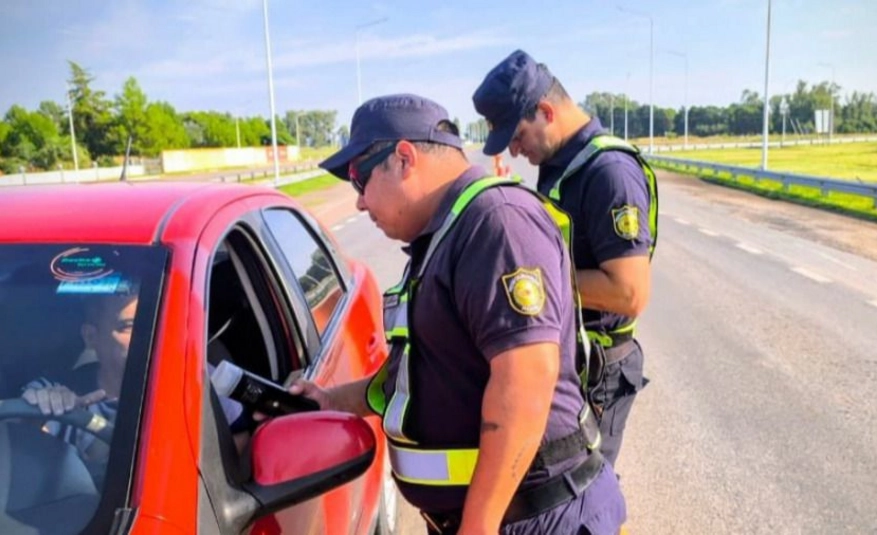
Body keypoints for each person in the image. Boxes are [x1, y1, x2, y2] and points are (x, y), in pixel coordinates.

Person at [300, 94, 625, 534]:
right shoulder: (445, 232)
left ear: (403, 158)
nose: (359, 202)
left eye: (360, 179)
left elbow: (525, 381)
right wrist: (330, 401)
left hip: (539, 519)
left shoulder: (496, 221)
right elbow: (424, 373)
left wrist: (478, 527)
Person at [473, 50, 659, 467]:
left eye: (517, 136)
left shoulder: (609, 171)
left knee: (585, 484)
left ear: (545, 111)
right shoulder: (563, 163)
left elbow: (629, 292)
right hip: (573, 356)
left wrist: (535, 281)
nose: (515, 150)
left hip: (600, 368)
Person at [22, 289, 252, 459]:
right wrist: (39, 412)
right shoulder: (56, 391)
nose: (148, 335)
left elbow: (240, 437)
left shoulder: (194, 378)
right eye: (129, 326)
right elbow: (15, 443)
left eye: (154, 323)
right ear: (91, 337)